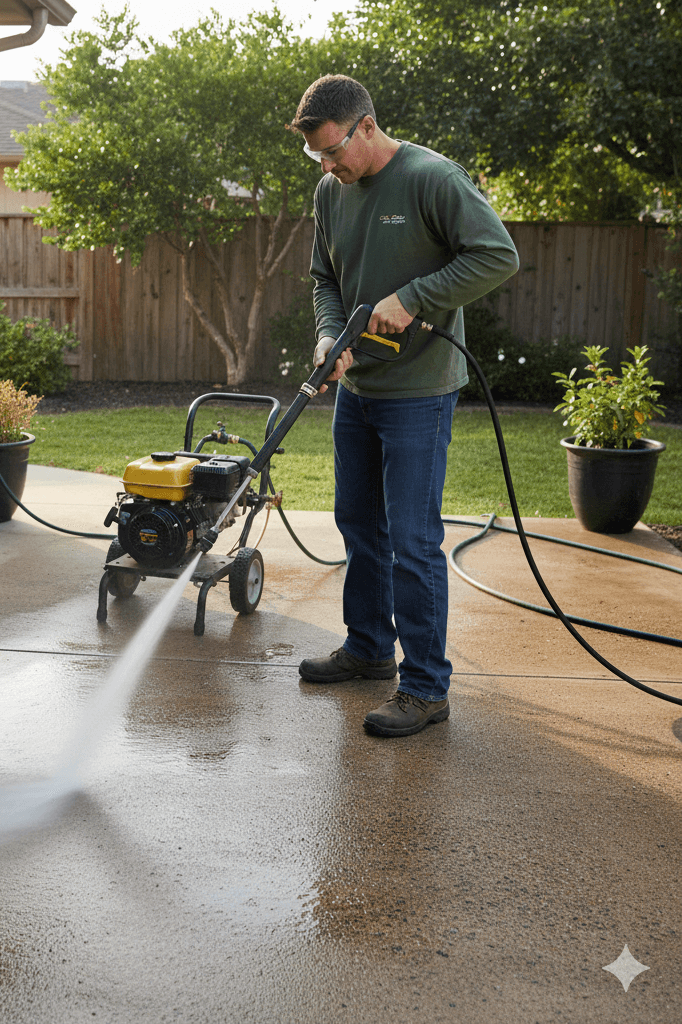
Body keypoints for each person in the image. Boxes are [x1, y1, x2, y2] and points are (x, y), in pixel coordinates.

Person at [289, 74, 519, 737]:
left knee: (412, 544)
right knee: (358, 522)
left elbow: (498, 255)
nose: (328, 167)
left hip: (420, 392)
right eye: (317, 158)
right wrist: (330, 335)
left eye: (333, 150)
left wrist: (415, 296)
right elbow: (324, 278)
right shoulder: (331, 191)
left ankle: (425, 688)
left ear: (365, 125)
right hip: (359, 392)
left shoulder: (432, 178)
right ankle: (368, 649)